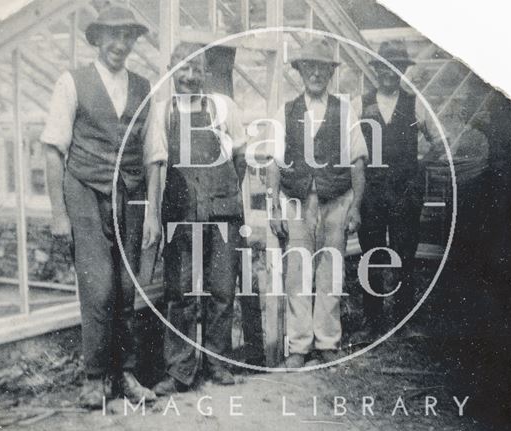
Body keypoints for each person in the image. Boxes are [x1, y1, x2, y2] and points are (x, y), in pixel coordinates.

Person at [41, 5, 162, 408]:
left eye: (128, 36)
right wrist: (59, 214)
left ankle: (124, 373)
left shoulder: (145, 87)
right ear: (97, 39)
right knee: (99, 287)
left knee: (127, 287)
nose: (120, 44)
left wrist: (153, 213)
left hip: (129, 194)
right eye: (113, 36)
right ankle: (94, 377)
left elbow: (154, 157)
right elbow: (54, 150)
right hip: (85, 192)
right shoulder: (72, 82)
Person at [150, 43, 248, 394]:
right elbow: (157, 166)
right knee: (180, 293)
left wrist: (224, 196)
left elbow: (240, 157)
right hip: (181, 213)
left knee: (222, 289)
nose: (190, 76)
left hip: (223, 212)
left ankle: (217, 362)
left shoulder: (224, 107)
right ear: (171, 71)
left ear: (206, 72)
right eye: (183, 69)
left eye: (197, 69)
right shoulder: (162, 112)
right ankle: (180, 370)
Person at [266, 38, 368, 369]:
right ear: (300, 71)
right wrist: (275, 207)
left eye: (322, 67)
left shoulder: (345, 109)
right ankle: (298, 346)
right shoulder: (285, 111)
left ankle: (327, 343)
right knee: (297, 271)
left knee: (331, 271)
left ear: (330, 72)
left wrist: (355, 206)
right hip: (297, 202)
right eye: (309, 66)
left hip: (336, 200)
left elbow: (358, 161)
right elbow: (274, 163)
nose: (315, 73)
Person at [351, 41, 441, 342]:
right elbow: (348, 147)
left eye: (396, 67)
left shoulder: (414, 103)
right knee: (372, 254)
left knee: (405, 254)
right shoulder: (360, 104)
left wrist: (419, 168)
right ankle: (372, 323)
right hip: (373, 193)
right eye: (383, 66)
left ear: (402, 70)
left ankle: (405, 322)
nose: (389, 73)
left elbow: (438, 141)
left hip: (405, 192)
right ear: (375, 69)